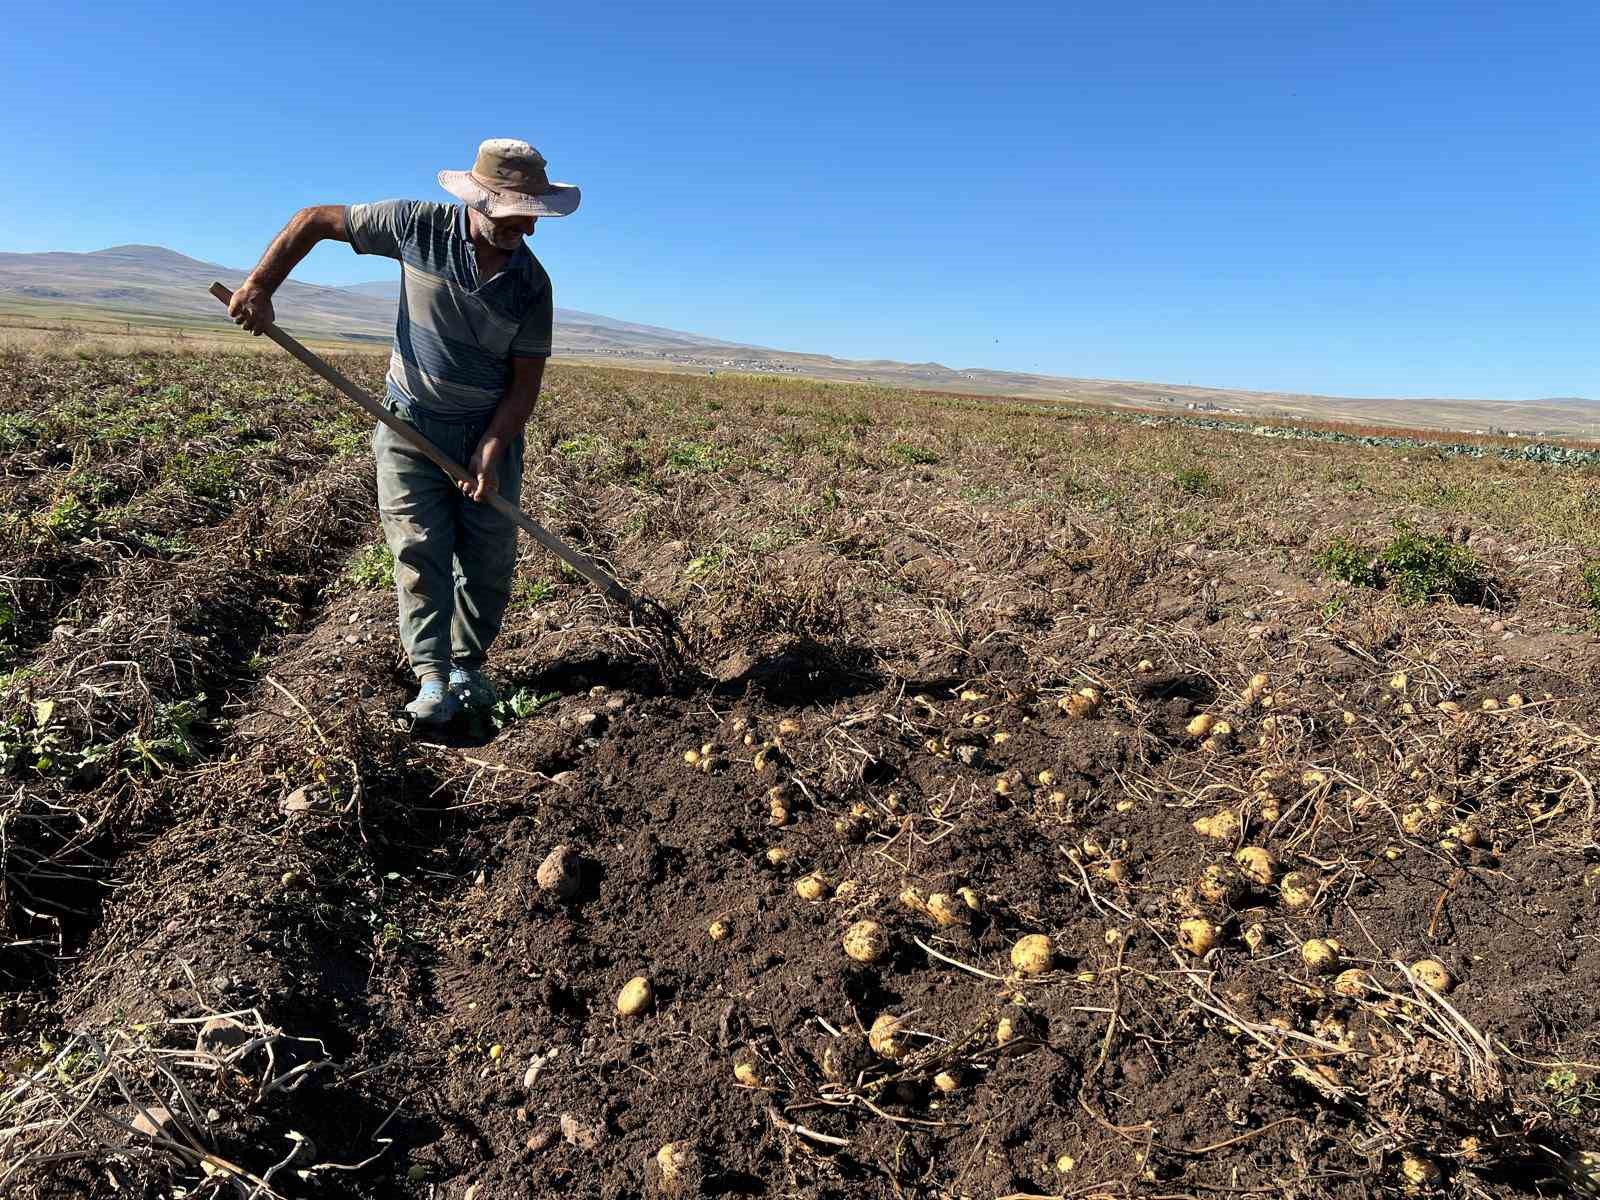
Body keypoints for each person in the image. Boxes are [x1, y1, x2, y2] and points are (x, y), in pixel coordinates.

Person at [227, 139, 580, 725]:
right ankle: (433, 677)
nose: (530, 230)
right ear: (482, 200)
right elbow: (314, 220)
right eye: (518, 214)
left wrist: (492, 448)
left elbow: (523, 386)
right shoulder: (417, 226)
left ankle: (468, 666)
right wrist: (261, 285)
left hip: (486, 432)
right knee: (419, 551)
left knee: (489, 559)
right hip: (408, 422)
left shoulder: (531, 287)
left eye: (533, 215)